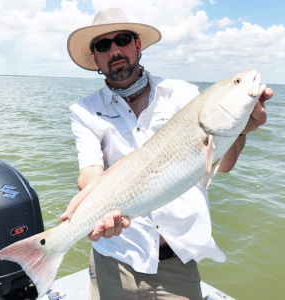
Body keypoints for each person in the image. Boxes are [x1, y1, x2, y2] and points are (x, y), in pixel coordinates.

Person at [61, 7, 273, 300]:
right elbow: (90, 171)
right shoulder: (84, 110)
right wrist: (93, 203)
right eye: (103, 45)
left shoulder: (183, 94)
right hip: (112, 261)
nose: (115, 50)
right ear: (95, 57)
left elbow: (223, 164)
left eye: (122, 39)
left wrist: (240, 130)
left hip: (176, 266)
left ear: (138, 45)